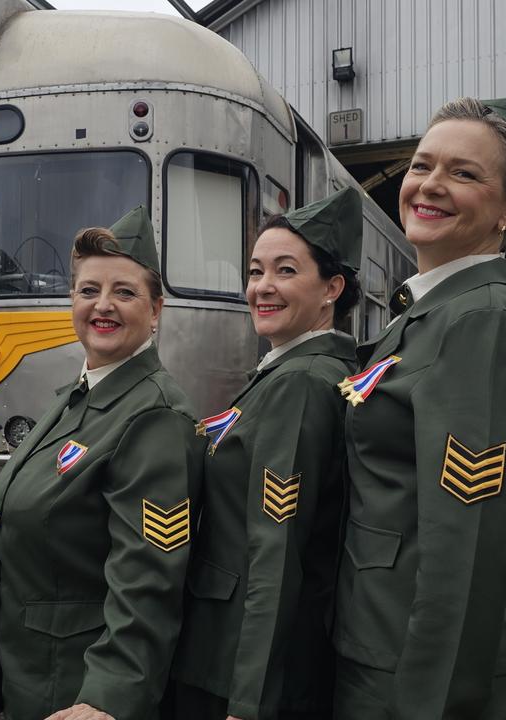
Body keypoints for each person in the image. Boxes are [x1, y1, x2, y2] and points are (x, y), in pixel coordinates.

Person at [333, 97, 506, 719]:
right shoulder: (429, 315)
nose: (430, 185)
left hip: (421, 666)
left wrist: (437, 699)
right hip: (382, 638)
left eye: (464, 173)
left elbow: (466, 538)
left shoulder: (479, 320)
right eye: (422, 165)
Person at [0, 206, 203, 720]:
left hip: (80, 690)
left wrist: (109, 696)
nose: (102, 306)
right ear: (72, 301)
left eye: (124, 293)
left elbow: (150, 577)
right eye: (89, 291)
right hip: (36, 676)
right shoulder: (77, 398)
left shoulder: (156, 416)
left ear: (156, 310)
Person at [173, 188, 364, 720]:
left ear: (332, 288)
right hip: (237, 651)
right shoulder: (290, 372)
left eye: (284, 271)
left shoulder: (299, 383)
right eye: (256, 272)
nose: (263, 288)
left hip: (237, 661)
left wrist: (250, 700)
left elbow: (277, 552)